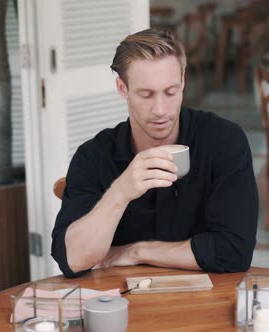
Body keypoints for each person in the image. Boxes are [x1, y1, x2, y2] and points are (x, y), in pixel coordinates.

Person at [51, 29, 258, 278]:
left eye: (170, 92)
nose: (160, 110)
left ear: (183, 81)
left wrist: (134, 252)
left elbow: (234, 252)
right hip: (119, 303)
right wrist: (121, 191)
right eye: (146, 94)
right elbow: (72, 259)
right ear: (122, 88)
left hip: (207, 300)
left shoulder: (223, 140)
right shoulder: (93, 155)